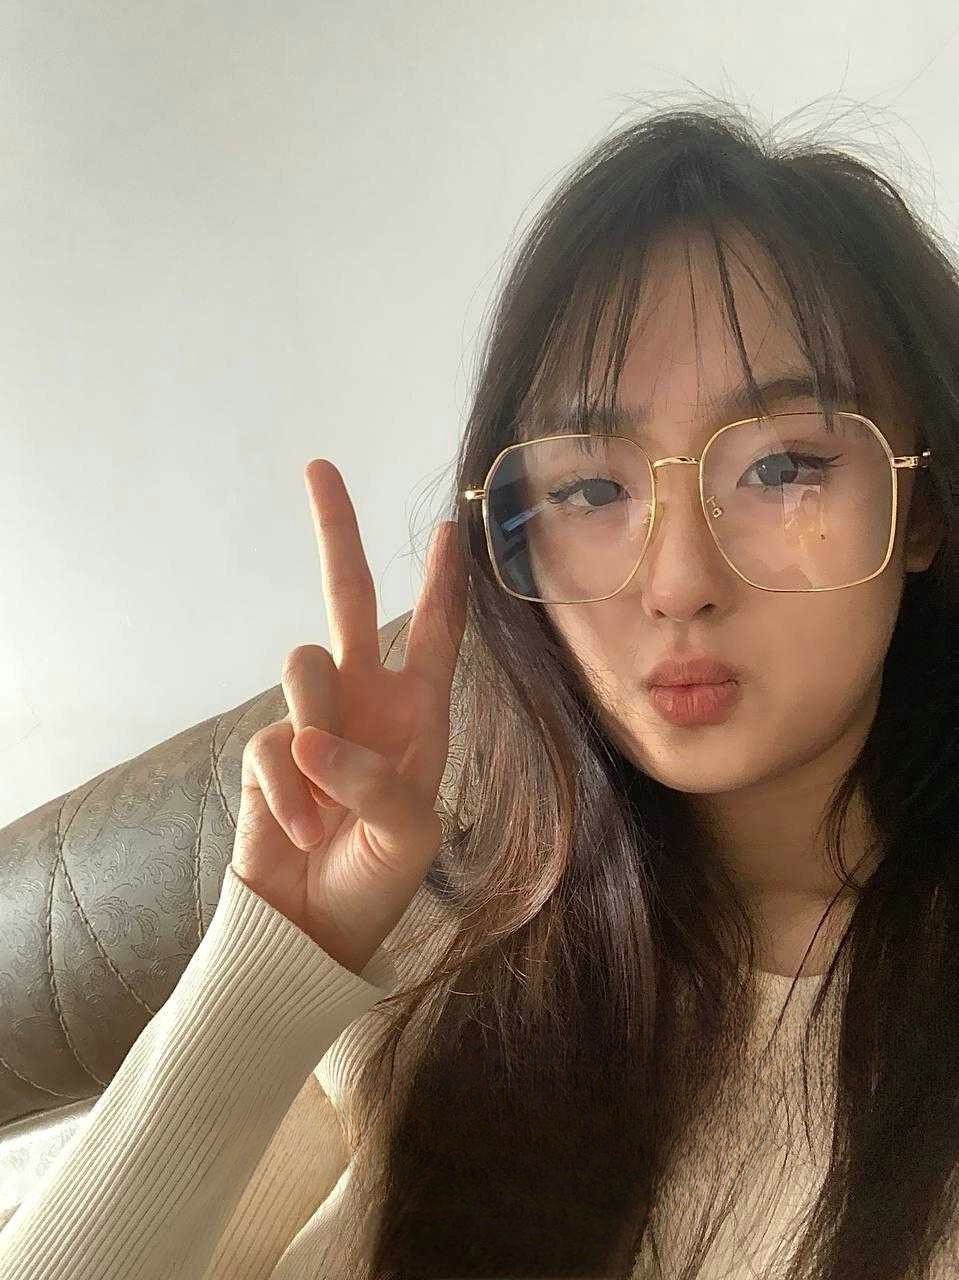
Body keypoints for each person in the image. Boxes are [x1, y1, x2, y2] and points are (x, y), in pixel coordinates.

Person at [0, 98, 955, 1280]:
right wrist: (273, 955)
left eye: (780, 465)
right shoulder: (425, 965)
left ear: (919, 504)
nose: (675, 582)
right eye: (591, 490)